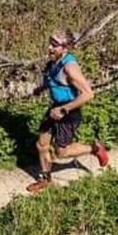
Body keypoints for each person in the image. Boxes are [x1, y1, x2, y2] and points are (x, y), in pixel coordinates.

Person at [26, 29, 110, 194]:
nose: (49, 47)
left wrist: (64, 110)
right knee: (41, 144)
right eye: (50, 42)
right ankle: (45, 179)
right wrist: (41, 89)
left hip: (68, 112)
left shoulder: (70, 68)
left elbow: (88, 94)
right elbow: (53, 79)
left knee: (61, 152)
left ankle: (94, 149)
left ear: (65, 48)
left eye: (55, 45)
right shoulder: (53, 62)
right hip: (55, 108)